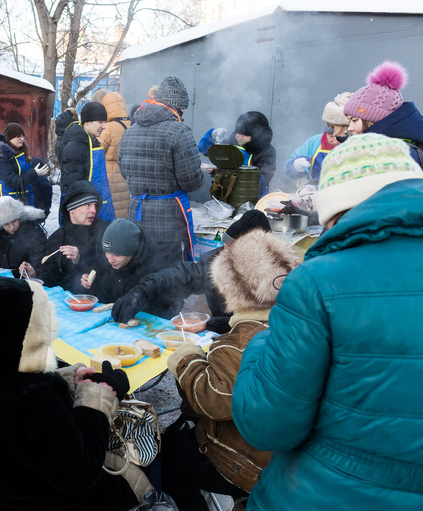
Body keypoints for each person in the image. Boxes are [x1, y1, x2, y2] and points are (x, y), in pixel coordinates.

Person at [233, 133, 423, 511]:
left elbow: (266, 425)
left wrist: (259, 344)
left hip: (329, 492)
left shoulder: (319, 281)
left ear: (336, 210)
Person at [0, 276, 154, 511]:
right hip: (51, 501)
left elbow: (21, 410)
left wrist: (66, 378)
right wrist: (96, 401)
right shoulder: (27, 400)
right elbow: (81, 474)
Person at [160, 228, 299, 511]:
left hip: (249, 463)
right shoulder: (298, 323)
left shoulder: (238, 342)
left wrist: (187, 359)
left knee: (167, 453)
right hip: (290, 454)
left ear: (236, 290)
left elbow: (212, 401)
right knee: (182, 429)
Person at [111, 210, 272, 334]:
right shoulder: (217, 260)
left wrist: (210, 324)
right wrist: (141, 291)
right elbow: (180, 275)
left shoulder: (273, 277)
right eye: (226, 246)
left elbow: (260, 322)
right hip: (217, 334)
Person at [118, 76, 203, 266]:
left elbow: (124, 170)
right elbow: (192, 181)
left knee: (142, 270)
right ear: (178, 107)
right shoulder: (180, 131)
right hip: (167, 223)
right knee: (166, 276)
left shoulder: (130, 130)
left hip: (136, 217)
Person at [79, 218, 171, 318]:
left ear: (132, 251)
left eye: (117, 255)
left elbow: (166, 306)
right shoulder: (106, 259)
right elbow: (103, 297)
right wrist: (91, 285)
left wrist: (137, 302)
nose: (110, 260)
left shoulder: (155, 266)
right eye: (107, 252)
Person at [36, 181, 110, 293]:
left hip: (96, 301)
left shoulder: (105, 231)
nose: (94, 210)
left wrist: (79, 260)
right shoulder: (56, 238)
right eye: (87, 205)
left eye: (95, 205)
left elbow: (111, 271)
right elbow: (50, 279)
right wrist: (34, 275)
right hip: (65, 303)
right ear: (72, 209)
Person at [343, 60, 423, 163]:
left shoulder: (395, 155)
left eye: (354, 120)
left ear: (375, 120)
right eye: (349, 121)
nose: (349, 128)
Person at [61, 101, 115, 222]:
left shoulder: (93, 142)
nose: (104, 126)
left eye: (104, 122)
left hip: (96, 206)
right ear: (87, 122)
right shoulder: (74, 147)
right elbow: (74, 187)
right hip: (84, 214)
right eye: (100, 122)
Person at [201, 112, 276, 196]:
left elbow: (263, 180)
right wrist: (212, 136)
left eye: (244, 135)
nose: (239, 137)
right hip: (226, 194)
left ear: (257, 135)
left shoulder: (267, 151)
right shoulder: (230, 143)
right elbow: (205, 150)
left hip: (252, 195)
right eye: (238, 132)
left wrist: (232, 168)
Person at [285, 92, 352, 184]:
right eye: (331, 135)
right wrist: (296, 166)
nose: (335, 141)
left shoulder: (358, 145)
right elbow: (288, 169)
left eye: (341, 136)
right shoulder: (314, 143)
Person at [0, 196, 46, 278]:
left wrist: (32, 273)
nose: (12, 227)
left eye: (14, 220)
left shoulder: (36, 237)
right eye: (6, 223)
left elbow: (42, 271)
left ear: (19, 217)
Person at [0, 123, 49, 206]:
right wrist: (34, 173)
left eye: (23, 136)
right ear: (10, 138)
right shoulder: (2, 157)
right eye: (18, 136)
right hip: (6, 199)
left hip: (24, 197)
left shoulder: (22, 151)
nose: (22, 139)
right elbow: (11, 181)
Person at [99, 92, 131, 219]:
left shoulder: (108, 128)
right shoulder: (130, 125)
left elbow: (97, 149)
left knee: (111, 210)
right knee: (123, 208)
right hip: (124, 177)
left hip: (109, 177)